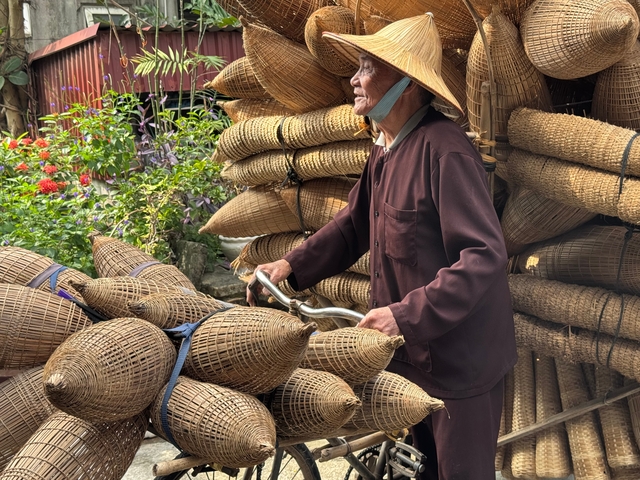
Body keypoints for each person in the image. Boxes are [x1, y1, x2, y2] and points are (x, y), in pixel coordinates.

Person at [247, 13, 517, 480]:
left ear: (407, 83)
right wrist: (289, 266)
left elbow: (483, 256)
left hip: (459, 367)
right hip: (408, 360)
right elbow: (353, 226)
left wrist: (404, 314)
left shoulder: (444, 150)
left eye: (368, 67)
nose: (354, 78)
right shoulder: (385, 149)